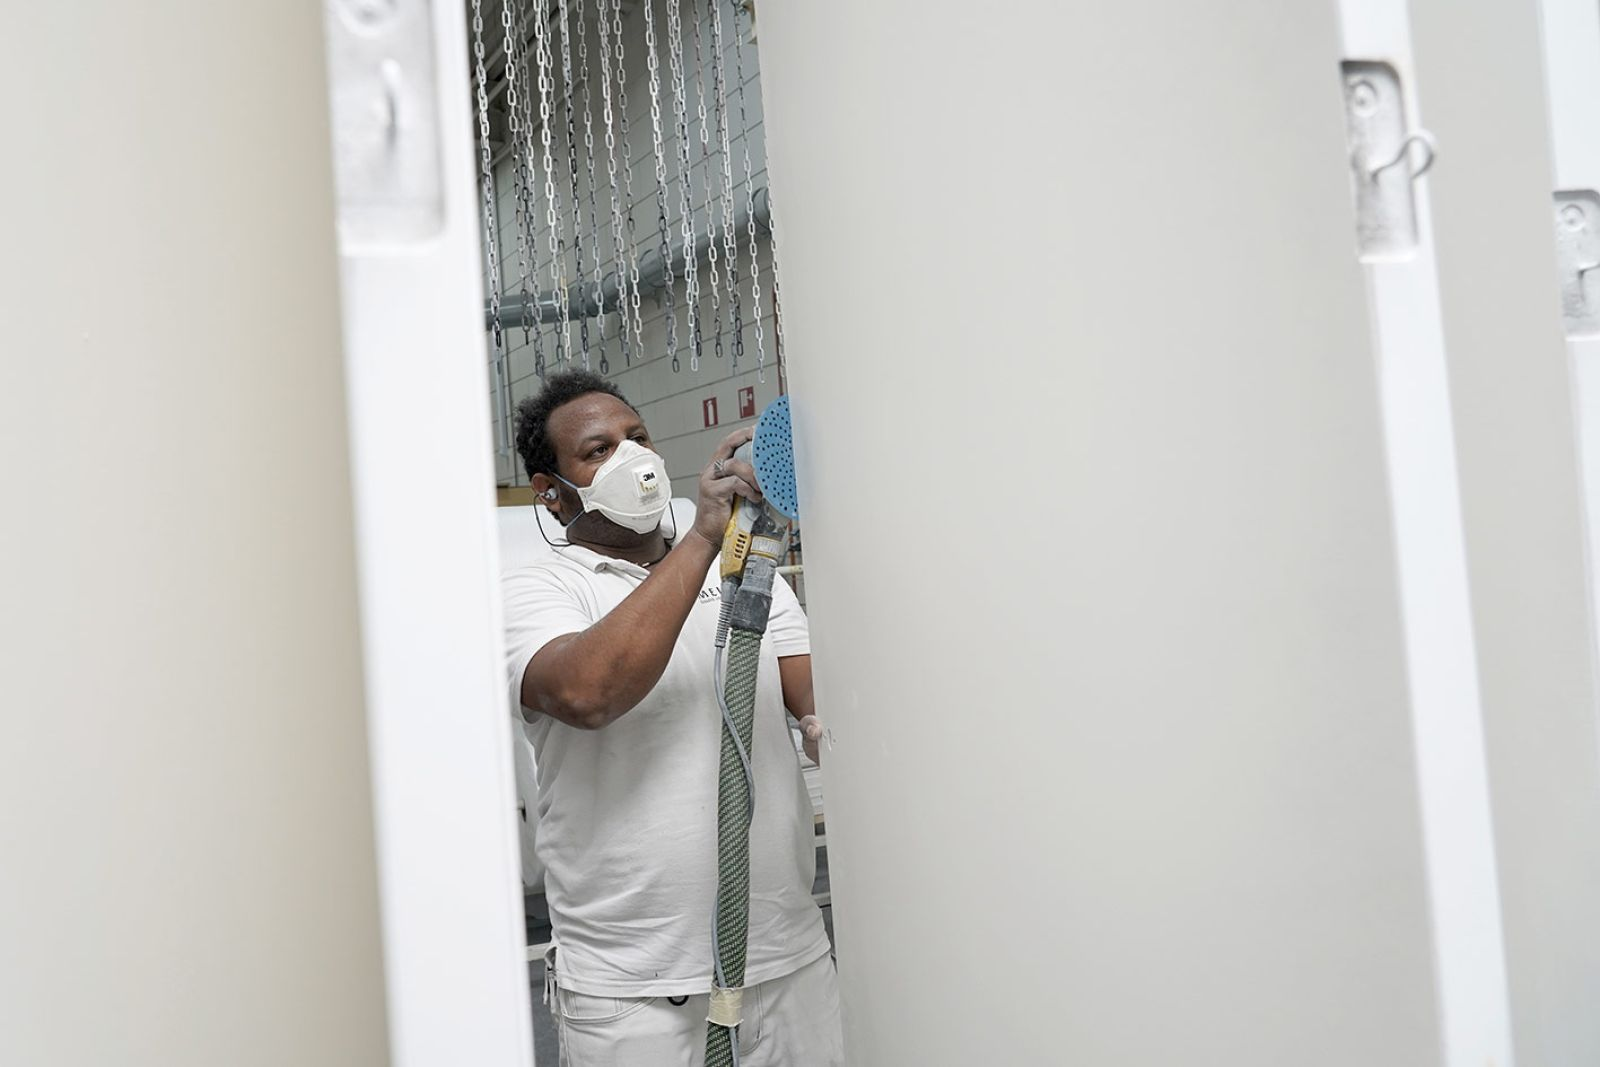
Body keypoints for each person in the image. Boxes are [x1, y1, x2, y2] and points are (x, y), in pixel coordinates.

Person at [503, 369, 844, 1066]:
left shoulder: (748, 571)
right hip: (637, 991)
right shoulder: (536, 590)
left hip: (785, 960)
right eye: (598, 451)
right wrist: (703, 538)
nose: (631, 457)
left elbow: (823, 707)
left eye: (638, 437)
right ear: (550, 490)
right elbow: (590, 693)